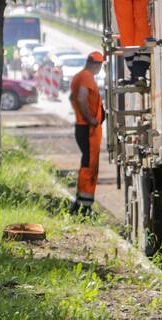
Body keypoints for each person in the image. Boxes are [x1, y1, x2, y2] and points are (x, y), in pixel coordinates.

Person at [69, 51, 105, 216]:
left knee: (87, 164)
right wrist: (90, 118)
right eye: (100, 65)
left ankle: (81, 203)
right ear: (96, 64)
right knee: (89, 166)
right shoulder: (86, 77)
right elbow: (82, 98)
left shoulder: (79, 76)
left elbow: (72, 98)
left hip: (83, 127)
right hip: (88, 128)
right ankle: (84, 206)